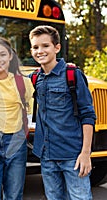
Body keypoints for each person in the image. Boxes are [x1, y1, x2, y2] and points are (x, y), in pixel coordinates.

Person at [29, 25, 96, 199]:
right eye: (35, 47)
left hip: (72, 155)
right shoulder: (36, 78)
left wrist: (85, 154)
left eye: (45, 46)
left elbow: (88, 115)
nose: (40, 51)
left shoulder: (73, 75)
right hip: (46, 155)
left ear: (57, 48)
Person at [0, 36, 33, 200]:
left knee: (14, 195)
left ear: (11, 56)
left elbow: (29, 112)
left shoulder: (23, 83)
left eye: (3, 54)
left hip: (16, 143)